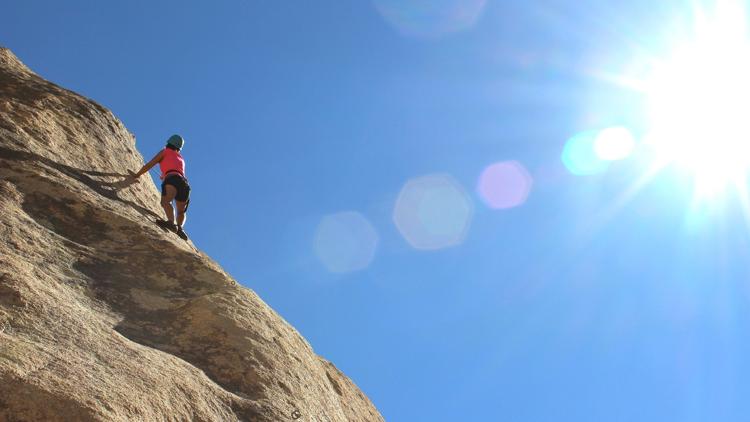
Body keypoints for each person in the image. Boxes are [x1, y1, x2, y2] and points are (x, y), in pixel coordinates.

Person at [120, 134, 191, 240]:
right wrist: (165, 175)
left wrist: (137, 175)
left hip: (172, 179)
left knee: (166, 202)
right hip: (184, 184)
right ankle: (180, 228)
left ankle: (171, 223)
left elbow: (149, 165)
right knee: (181, 211)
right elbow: (175, 169)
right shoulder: (181, 158)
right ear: (178, 148)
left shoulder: (165, 151)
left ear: (168, 143)